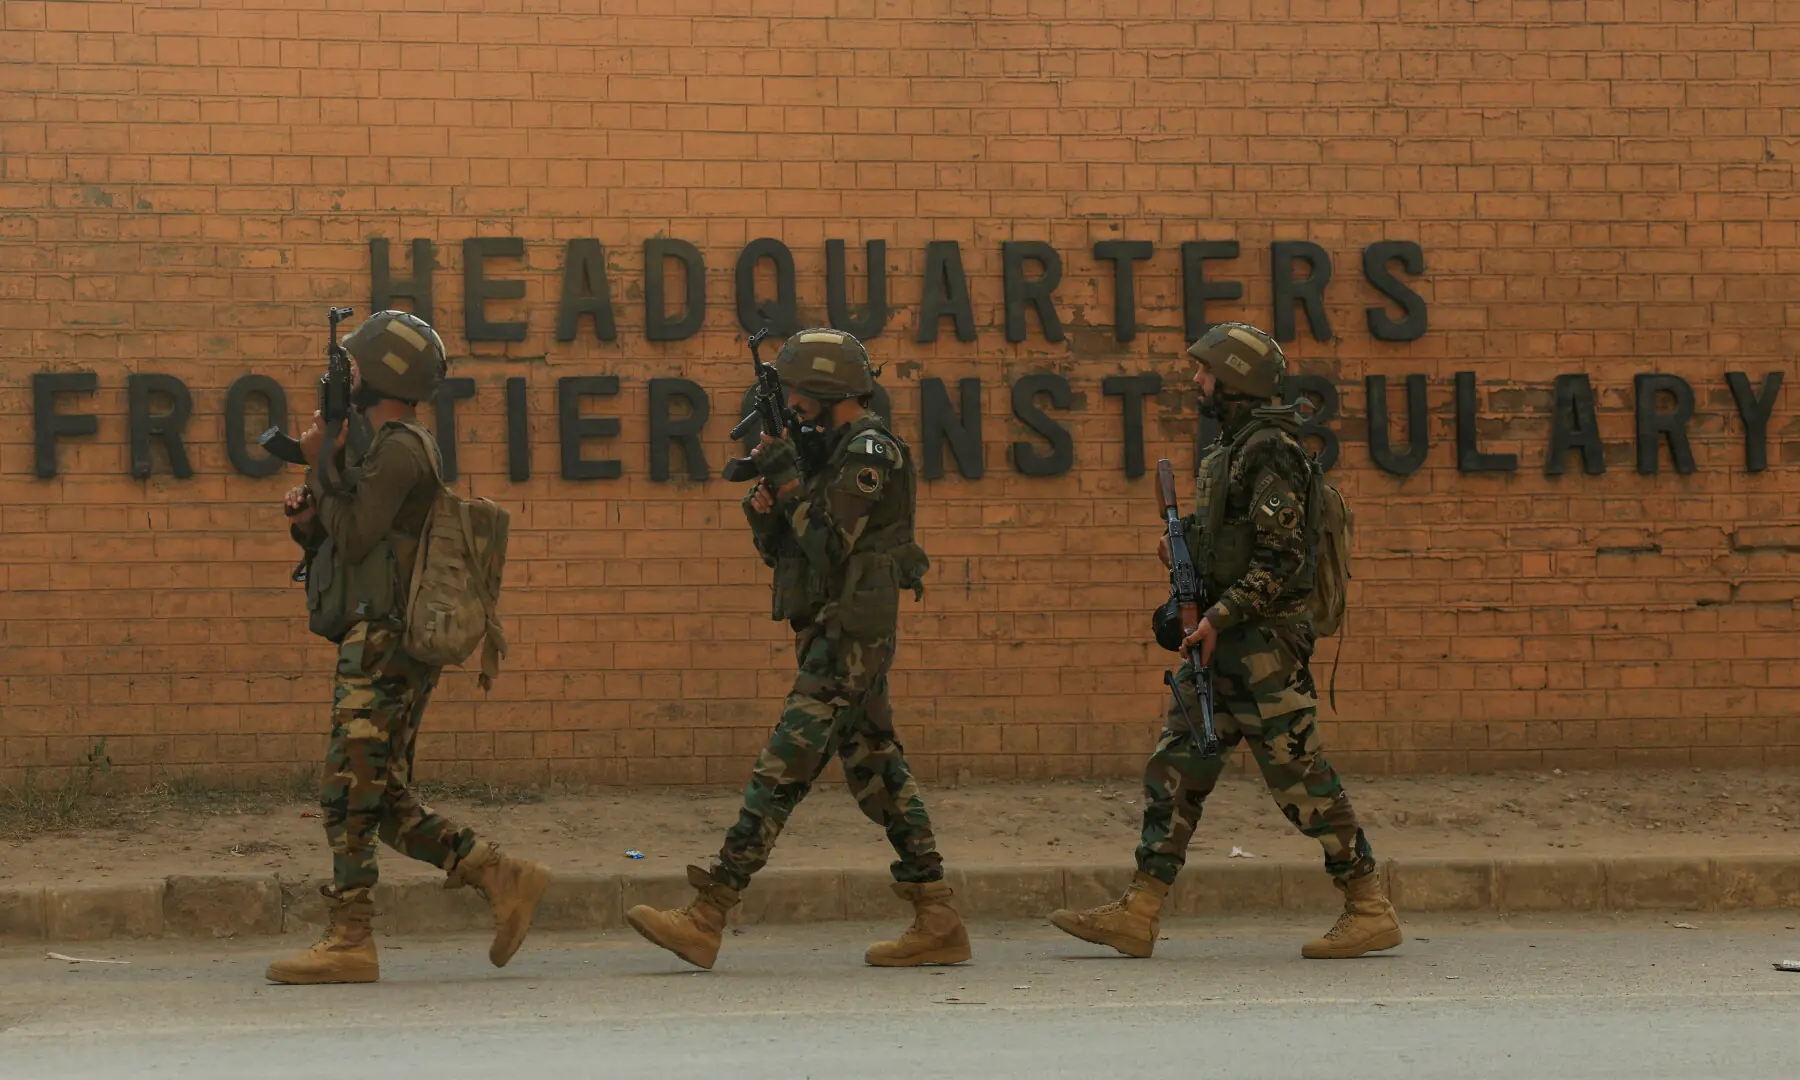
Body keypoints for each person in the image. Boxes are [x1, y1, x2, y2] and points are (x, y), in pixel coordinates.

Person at [1047, 321, 1402, 960]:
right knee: (1177, 771)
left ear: (1235, 380)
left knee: (1299, 778)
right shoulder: (1232, 449)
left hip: (1262, 644)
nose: (1197, 382)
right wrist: (1186, 556)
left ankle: (1369, 905)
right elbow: (1236, 544)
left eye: (1207, 372)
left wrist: (1219, 615)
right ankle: (1141, 909)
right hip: (1219, 640)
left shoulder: (1271, 450)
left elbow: (1282, 560)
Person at [624, 328, 970, 971]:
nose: (794, 406)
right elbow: (791, 553)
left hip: (851, 638)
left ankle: (709, 913)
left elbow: (832, 543)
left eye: (800, 394)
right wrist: (769, 507)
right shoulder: (828, 454)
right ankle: (938, 915)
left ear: (828, 390)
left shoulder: (870, 451)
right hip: (831, 628)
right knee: (875, 768)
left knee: (784, 764)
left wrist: (787, 479)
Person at [265, 310, 551, 985]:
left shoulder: (399, 447)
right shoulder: (383, 444)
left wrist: (320, 467)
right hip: (378, 635)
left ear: (384, 375)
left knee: (346, 789)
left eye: (359, 368)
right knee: (380, 795)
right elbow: (353, 543)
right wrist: (312, 517)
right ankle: (498, 874)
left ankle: (350, 937)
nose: (351, 378)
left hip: (385, 643)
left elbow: (360, 534)